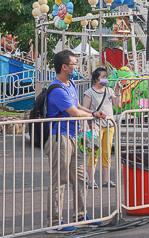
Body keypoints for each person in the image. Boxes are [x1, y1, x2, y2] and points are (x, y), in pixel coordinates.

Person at [46, 50, 106, 229]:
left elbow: (78, 106)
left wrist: (93, 113)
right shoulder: (57, 89)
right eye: (74, 64)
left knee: (80, 178)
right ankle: (55, 221)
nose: (77, 66)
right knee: (60, 180)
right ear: (64, 67)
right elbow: (74, 112)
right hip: (61, 137)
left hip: (73, 136)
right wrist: (91, 116)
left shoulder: (70, 83)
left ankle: (81, 215)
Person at [82, 68, 121, 188]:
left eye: (106, 76)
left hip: (109, 125)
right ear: (96, 79)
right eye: (103, 77)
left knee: (107, 153)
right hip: (96, 125)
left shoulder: (109, 90)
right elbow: (84, 108)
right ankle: (91, 180)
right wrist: (91, 119)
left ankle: (107, 179)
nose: (105, 79)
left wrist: (118, 90)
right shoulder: (89, 92)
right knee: (94, 152)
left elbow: (117, 104)